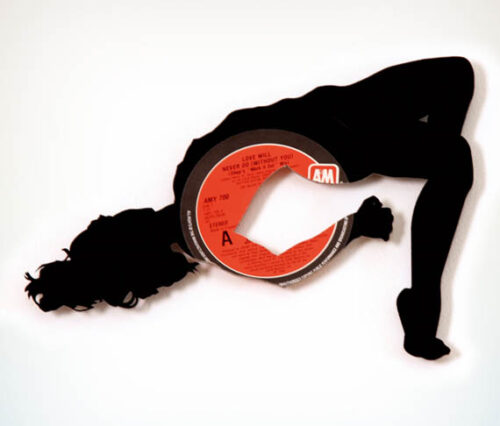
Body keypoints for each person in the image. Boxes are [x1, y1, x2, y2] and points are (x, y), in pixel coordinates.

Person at [25, 56, 475, 361]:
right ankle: (422, 309)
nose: (113, 215)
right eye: (111, 223)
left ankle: (434, 185)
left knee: (456, 77)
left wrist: (359, 224)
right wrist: (356, 225)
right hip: (334, 141)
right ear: (129, 232)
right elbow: (284, 268)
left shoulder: (190, 199)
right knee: (454, 157)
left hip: (332, 111)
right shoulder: (200, 224)